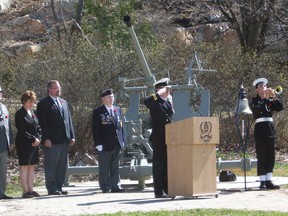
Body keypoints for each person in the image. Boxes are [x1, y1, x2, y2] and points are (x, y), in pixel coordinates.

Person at [37, 80, 75, 195]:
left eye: (59, 88)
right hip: (51, 141)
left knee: (62, 165)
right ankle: (52, 188)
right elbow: (42, 123)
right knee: (51, 165)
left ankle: (59, 186)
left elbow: (69, 120)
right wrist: (46, 138)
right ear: (49, 89)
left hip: (64, 139)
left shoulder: (64, 102)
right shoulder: (43, 103)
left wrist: (72, 135)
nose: (59, 90)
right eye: (56, 88)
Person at [143, 78, 174, 198]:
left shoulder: (167, 102)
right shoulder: (155, 102)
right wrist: (158, 93)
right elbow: (146, 101)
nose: (169, 90)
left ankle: (167, 189)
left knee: (166, 166)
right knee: (158, 166)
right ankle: (158, 191)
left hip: (168, 138)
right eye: (166, 88)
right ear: (160, 89)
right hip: (158, 138)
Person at [250, 78, 283, 190]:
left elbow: (279, 107)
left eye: (265, 85)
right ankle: (262, 181)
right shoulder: (254, 100)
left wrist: (272, 97)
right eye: (261, 86)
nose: (264, 87)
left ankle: (269, 179)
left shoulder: (270, 100)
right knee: (261, 154)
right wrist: (265, 98)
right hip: (260, 128)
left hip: (270, 128)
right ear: (257, 89)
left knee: (270, 155)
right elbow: (257, 109)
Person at [92, 89, 125, 193]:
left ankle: (116, 186)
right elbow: (95, 129)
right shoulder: (98, 112)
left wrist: (122, 140)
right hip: (104, 144)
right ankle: (105, 186)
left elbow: (121, 126)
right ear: (103, 99)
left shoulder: (117, 109)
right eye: (109, 97)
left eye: (112, 97)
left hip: (116, 143)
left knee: (115, 166)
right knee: (104, 167)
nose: (112, 99)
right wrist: (98, 143)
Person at [15, 90, 41, 198]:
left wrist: (39, 138)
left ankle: (31, 190)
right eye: (30, 101)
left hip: (34, 144)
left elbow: (38, 127)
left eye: (33, 101)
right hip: (24, 144)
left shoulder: (33, 113)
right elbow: (22, 130)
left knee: (32, 166)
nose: (32, 104)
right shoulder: (19, 114)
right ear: (24, 101)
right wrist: (33, 139)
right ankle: (25, 191)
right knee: (24, 166)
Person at [0, 85, 14, 200]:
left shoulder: (4, 107)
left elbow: (8, 126)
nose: (0, 93)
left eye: (1, 91)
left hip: (4, 145)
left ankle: (1, 193)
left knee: (2, 171)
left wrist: (11, 141)